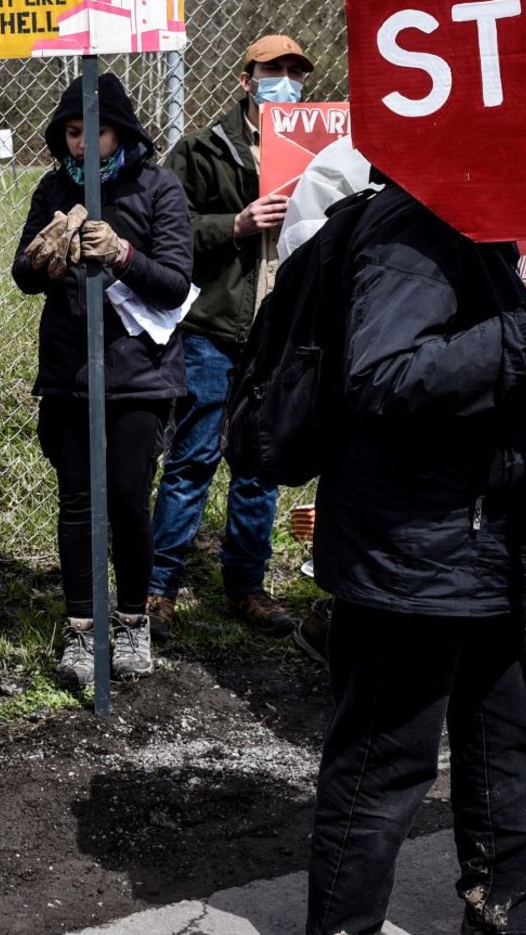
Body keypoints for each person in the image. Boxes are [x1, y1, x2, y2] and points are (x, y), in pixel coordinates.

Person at [303, 175, 526, 935]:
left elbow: (470, 357)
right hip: (412, 555)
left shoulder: (467, 216)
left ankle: (506, 917)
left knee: (503, 750)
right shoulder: (414, 225)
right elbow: (388, 376)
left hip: (478, 545)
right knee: (382, 766)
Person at [11, 73, 192, 687]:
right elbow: (23, 276)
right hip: (70, 373)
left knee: (124, 499)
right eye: (72, 131)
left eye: (98, 130)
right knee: (79, 502)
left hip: (141, 375)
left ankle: (133, 619)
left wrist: (122, 254)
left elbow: (175, 284)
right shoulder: (53, 188)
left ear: (123, 131)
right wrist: (43, 256)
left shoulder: (158, 188)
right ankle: (83, 629)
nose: (85, 143)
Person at [146, 33, 311, 635]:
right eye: (274, 70)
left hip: (280, 331)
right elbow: (163, 232)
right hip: (213, 327)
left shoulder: (319, 151)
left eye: (296, 71)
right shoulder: (201, 150)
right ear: (246, 79)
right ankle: (158, 587)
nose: (285, 80)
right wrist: (236, 224)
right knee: (192, 459)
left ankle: (245, 586)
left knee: (260, 467)